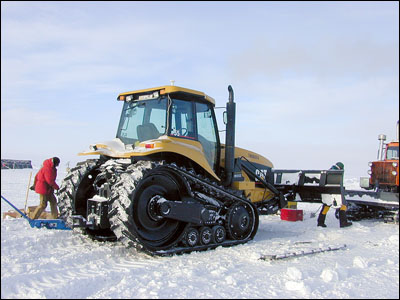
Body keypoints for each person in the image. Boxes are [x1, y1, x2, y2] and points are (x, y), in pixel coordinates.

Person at [317, 162, 352, 228]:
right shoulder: (338, 173)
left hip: (325, 194)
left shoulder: (327, 172)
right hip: (334, 195)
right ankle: (343, 223)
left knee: (326, 206)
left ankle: (320, 222)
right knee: (343, 205)